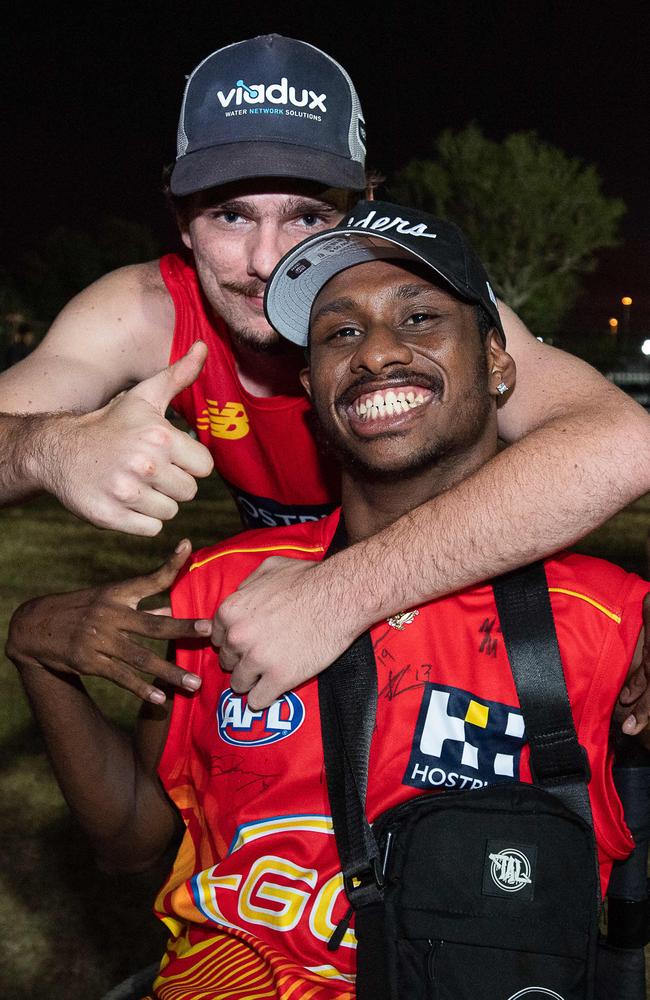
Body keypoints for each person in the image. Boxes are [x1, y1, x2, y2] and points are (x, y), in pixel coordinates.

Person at [8, 203, 650, 1000]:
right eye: (340, 333)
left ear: (499, 363)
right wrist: (41, 655)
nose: (378, 351)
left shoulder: (610, 618)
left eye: (418, 318)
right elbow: (135, 844)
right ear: (310, 389)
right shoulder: (218, 584)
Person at [0, 34, 648, 725]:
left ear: (365, 206)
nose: (267, 260)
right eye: (230, 215)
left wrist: (334, 593)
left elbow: (623, 442)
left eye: (310, 216)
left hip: (467, 617)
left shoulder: (422, 299)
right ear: (180, 220)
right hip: (286, 622)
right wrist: (54, 446)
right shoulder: (143, 313)